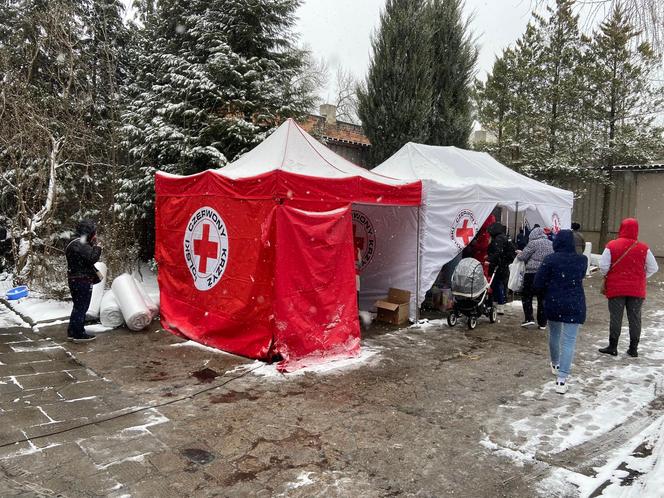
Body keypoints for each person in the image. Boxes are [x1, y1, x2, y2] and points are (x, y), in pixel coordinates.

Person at [534, 229, 587, 394]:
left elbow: (537, 283)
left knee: (554, 335)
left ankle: (555, 364)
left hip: (554, 302)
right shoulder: (582, 260)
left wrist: (544, 293)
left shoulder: (550, 259)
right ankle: (562, 380)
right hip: (575, 303)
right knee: (569, 341)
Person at [598, 218, 659, 357]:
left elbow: (603, 266)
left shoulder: (612, 245)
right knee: (635, 318)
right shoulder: (644, 248)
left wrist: (610, 275)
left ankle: (613, 346)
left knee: (616, 317)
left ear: (621, 228)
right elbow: (654, 268)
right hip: (637, 289)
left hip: (616, 288)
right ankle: (633, 348)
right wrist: (641, 276)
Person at [65, 220, 102, 342]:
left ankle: (72, 331)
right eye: (93, 232)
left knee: (78, 306)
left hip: (74, 279)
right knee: (82, 307)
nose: (95, 234)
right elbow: (92, 258)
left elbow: (85, 257)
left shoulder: (74, 242)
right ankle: (78, 333)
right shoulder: (80, 243)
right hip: (82, 280)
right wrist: (97, 247)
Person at [517, 227, 553, 329]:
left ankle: (529, 318)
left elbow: (522, 257)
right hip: (546, 274)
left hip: (532, 273)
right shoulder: (551, 243)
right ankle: (542, 323)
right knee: (542, 298)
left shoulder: (533, 243)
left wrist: (519, 253)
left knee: (527, 296)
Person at [487, 222, 515, 315]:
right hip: (503, 265)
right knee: (498, 284)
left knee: (496, 284)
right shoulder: (504, 237)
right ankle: (498, 303)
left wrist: (489, 259)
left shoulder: (498, 239)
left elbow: (497, 252)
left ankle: (499, 304)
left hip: (498, 265)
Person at [463, 214, 495, 278]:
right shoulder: (488, 233)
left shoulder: (485, 234)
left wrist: (474, 245)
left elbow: (484, 246)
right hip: (482, 256)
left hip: (481, 256)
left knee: (481, 272)